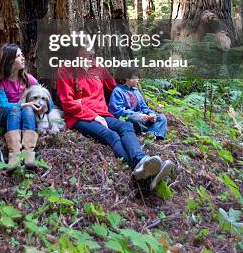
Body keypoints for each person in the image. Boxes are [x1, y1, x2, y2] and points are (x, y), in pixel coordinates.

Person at [56, 42, 175, 187]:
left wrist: (132, 107)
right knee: (111, 135)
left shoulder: (98, 67)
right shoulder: (65, 70)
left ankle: (142, 160)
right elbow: (68, 103)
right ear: (77, 48)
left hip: (103, 113)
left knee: (126, 126)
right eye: (87, 45)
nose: (92, 49)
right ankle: (146, 175)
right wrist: (94, 116)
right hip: (79, 117)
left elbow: (113, 88)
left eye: (92, 45)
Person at [0, 43, 40, 169]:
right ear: (9, 62)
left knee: (28, 110)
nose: (23, 58)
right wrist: (24, 104)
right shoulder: (2, 82)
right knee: (15, 110)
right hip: (4, 116)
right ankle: (14, 154)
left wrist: (40, 106)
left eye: (21, 55)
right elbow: (3, 106)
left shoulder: (27, 79)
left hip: (23, 114)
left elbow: (41, 93)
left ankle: (29, 153)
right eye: (18, 56)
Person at [108, 71, 167, 140]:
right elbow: (117, 111)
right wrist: (138, 114)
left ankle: (151, 134)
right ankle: (151, 131)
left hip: (142, 117)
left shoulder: (136, 91)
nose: (138, 79)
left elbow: (144, 107)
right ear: (127, 78)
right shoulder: (118, 91)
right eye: (136, 76)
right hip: (126, 118)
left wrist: (151, 114)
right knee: (135, 119)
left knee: (161, 117)